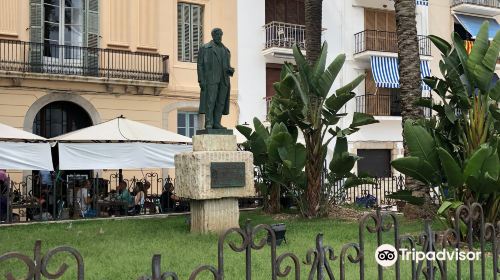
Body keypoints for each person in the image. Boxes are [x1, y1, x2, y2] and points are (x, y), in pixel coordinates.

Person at [197, 28, 235, 129]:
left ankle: (217, 123)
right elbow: (200, 65)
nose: (220, 37)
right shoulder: (205, 48)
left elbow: (226, 65)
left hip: (224, 80)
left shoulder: (226, 51)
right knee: (211, 101)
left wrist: (230, 70)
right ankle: (209, 122)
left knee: (221, 102)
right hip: (211, 79)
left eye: (221, 35)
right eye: (218, 35)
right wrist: (201, 80)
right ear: (213, 35)